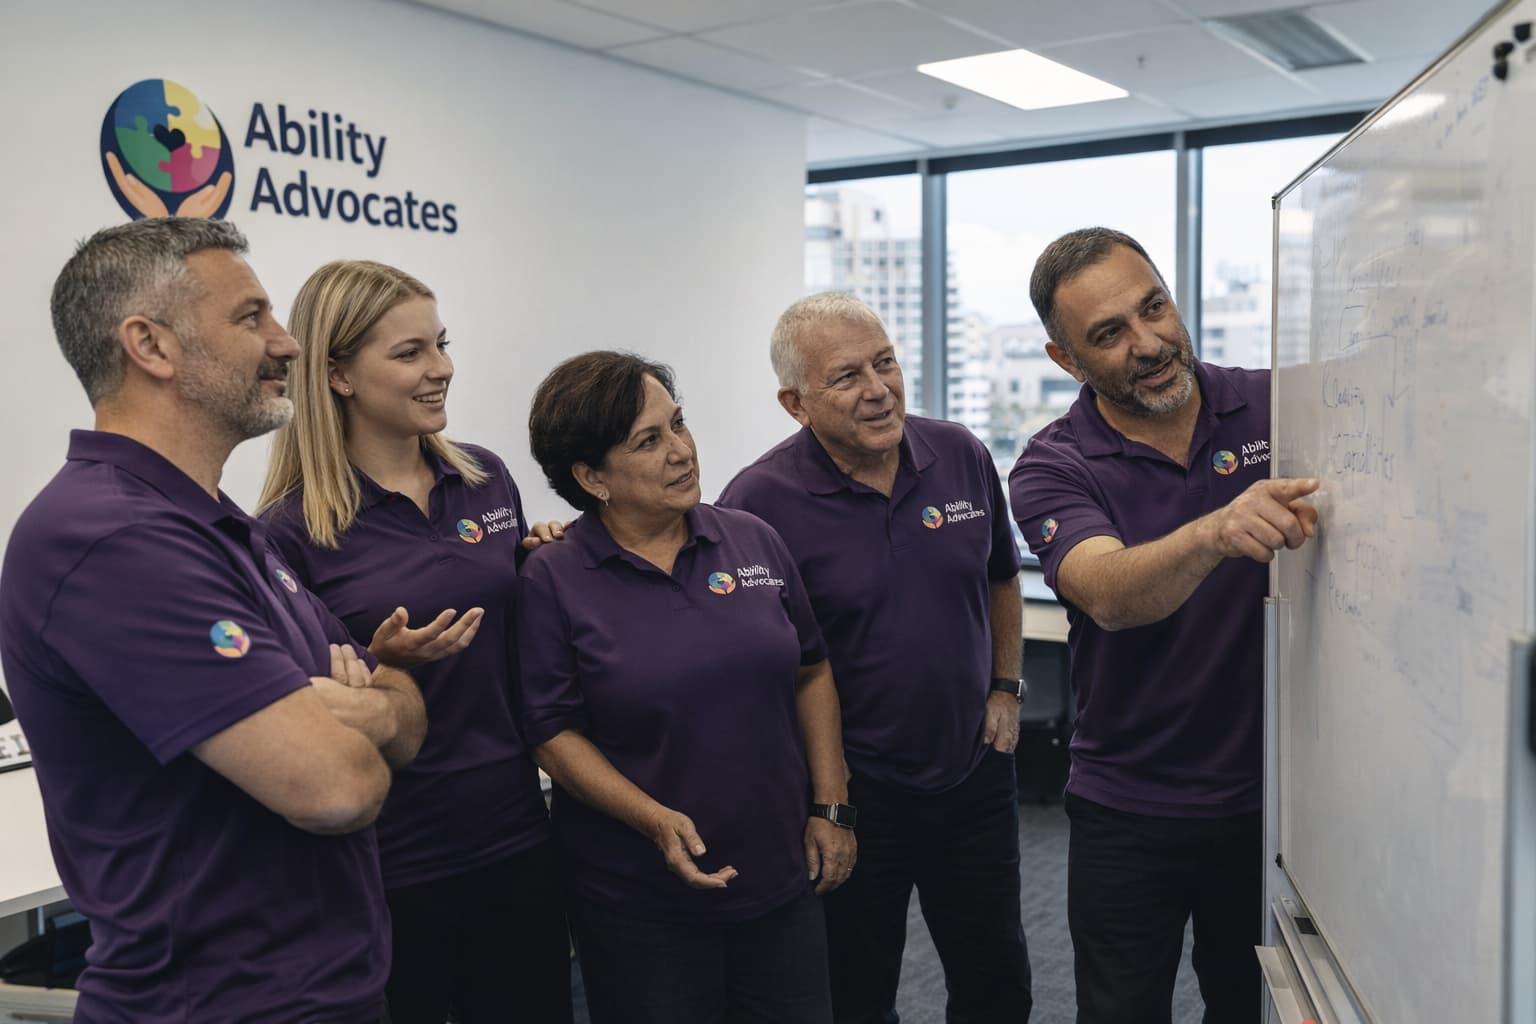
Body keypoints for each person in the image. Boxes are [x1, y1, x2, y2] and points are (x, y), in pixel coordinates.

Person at [0, 218, 426, 1022]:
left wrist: (368, 705)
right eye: (250, 316)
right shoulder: (110, 538)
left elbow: (405, 717)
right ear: (150, 346)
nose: (288, 342)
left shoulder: (221, 527)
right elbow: (339, 784)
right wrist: (351, 719)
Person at [1008, 227, 1319, 1023]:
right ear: (1066, 360)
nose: (1148, 343)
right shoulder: (1052, 464)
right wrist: (1216, 531)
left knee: (1252, 1008)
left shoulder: (1279, 402)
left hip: (1274, 803)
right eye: (1109, 334)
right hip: (1128, 807)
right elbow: (1107, 591)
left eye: (1155, 308)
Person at [256, 260, 572, 1024]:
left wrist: (547, 565)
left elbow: (515, 635)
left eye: (441, 344)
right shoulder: (290, 533)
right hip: (393, 858)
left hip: (516, 830)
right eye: (409, 354)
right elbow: (308, 710)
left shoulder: (487, 480)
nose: (441, 370)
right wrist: (382, 666)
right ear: (336, 375)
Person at [719, 293, 1032, 1024]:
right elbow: (762, 664)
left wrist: (1006, 688)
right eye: (847, 376)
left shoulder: (959, 453)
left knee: (997, 982)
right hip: (855, 792)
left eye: (884, 362)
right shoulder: (757, 502)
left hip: (973, 771)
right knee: (855, 994)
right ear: (795, 403)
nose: (878, 389)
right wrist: (821, 800)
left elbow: (1001, 576)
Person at [517, 350, 855, 1024]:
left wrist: (831, 805)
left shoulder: (752, 539)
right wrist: (655, 820)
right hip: (640, 901)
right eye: (649, 440)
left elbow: (812, 670)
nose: (681, 451)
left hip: (779, 876)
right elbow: (552, 736)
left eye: (678, 424)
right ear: (591, 477)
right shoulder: (553, 578)